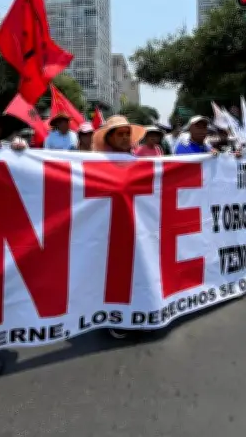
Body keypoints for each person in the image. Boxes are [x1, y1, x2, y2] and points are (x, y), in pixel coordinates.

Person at [92, 116, 147, 339]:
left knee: (135, 274)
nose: (125, 138)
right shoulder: (96, 163)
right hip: (107, 228)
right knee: (110, 276)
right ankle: (113, 317)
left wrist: (216, 160)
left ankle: (137, 313)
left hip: (135, 227)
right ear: (109, 137)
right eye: (119, 134)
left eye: (127, 133)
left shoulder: (138, 161)